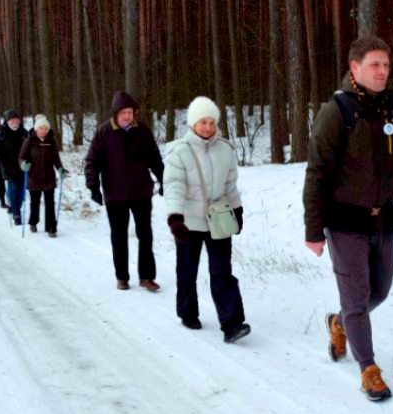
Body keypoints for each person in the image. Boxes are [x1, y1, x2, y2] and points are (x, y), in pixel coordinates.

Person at [302, 35, 393, 402]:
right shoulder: (336, 112)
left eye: (386, 64)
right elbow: (317, 173)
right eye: (375, 64)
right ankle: (368, 368)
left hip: (382, 220)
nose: (382, 71)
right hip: (344, 222)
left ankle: (339, 323)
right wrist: (313, 229)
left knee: (379, 291)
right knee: (357, 299)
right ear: (355, 68)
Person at [163, 96, 250, 343]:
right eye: (203, 122)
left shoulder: (225, 149)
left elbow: (230, 185)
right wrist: (175, 218)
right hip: (189, 223)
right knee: (187, 270)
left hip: (218, 220)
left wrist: (237, 210)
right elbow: (174, 186)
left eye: (212, 122)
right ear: (193, 123)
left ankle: (232, 324)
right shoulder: (179, 151)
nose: (208, 127)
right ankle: (187, 312)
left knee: (222, 271)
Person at [85, 92, 164, 292]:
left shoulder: (142, 131)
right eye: (124, 113)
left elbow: (154, 158)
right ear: (115, 114)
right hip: (115, 194)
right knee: (119, 237)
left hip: (141, 192)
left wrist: (164, 179)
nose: (128, 116)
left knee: (145, 234)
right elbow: (92, 162)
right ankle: (122, 277)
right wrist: (93, 186)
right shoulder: (104, 133)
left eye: (130, 112)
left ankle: (146, 277)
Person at [19, 115, 67, 237]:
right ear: (36, 129)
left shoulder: (51, 141)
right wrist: (23, 164)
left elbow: (56, 159)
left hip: (48, 177)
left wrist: (60, 169)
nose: (43, 131)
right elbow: (21, 157)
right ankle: (33, 222)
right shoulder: (29, 141)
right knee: (35, 202)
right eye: (41, 128)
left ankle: (51, 228)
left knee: (50, 203)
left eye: (46, 128)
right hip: (33, 176)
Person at [0, 109, 28, 225]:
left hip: (22, 167)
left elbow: (30, 148)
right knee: (13, 189)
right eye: (12, 121)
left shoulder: (24, 133)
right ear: (7, 121)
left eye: (16, 120)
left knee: (21, 192)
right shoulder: (1, 133)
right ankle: (16, 214)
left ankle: (14, 206)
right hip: (8, 167)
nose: (15, 123)